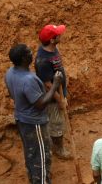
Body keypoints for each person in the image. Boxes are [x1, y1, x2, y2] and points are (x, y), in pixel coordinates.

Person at [6, 44, 64, 184]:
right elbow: (40, 104)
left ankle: (34, 179)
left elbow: (13, 95)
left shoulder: (10, 73)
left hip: (22, 119)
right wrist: (55, 85)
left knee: (31, 152)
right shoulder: (28, 80)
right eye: (29, 52)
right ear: (23, 58)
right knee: (42, 157)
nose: (32, 53)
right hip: (34, 123)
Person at [34, 24, 70, 160]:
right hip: (52, 98)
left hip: (60, 91)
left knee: (59, 120)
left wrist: (64, 92)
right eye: (58, 34)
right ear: (52, 40)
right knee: (56, 123)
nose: (60, 35)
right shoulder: (42, 61)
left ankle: (57, 143)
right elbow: (48, 85)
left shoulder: (53, 48)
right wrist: (59, 100)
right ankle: (58, 149)